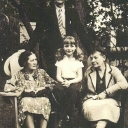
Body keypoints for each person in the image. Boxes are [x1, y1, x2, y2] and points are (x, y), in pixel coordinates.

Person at [29, 0, 91, 79]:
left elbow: (81, 31)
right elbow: (38, 32)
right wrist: (27, 50)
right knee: (55, 78)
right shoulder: (46, 12)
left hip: (69, 49)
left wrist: (91, 51)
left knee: (70, 76)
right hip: (52, 52)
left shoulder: (71, 11)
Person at [4, 51, 57, 128]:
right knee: (26, 102)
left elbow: (54, 83)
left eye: (35, 60)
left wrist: (44, 87)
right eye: (32, 60)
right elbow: (7, 87)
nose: (35, 62)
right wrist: (21, 89)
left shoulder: (41, 72)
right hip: (26, 100)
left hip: (40, 98)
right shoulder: (19, 74)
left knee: (45, 100)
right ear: (25, 62)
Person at [82, 45, 128, 128]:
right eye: (91, 58)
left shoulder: (113, 70)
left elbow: (124, 84)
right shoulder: (89, 71)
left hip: (110, 100)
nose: (93, 61)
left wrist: (106, 92)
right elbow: (83, 86)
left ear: (103, 57)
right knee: (89, 106)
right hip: (92, 99)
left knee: (107, 107)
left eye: (96, 58)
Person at [52, 36, 84, 127]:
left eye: (71, 46)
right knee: (57, 91)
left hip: (74, 81)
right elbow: (58, 76)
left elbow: (80, 77)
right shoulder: (60, 61)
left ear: (75, 47)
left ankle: (64, 115)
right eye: (66, 46)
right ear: (63, 47)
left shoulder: (78, 61)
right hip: (63, 80)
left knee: (72, 91)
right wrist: (64, 82)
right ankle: (67, 114)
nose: (69, 48)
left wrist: (70, 82)